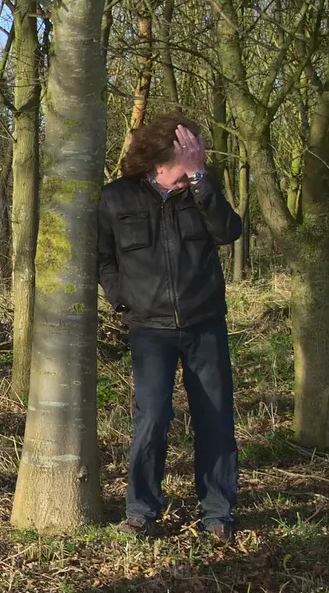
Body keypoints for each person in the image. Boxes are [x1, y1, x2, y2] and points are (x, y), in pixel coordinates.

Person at [97, 115, 244, 542]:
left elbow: (228, 231)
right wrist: (120, 296)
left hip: (205, 325)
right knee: (152, 419)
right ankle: (141, 510)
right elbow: (103, 257)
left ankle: (218, 513)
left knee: (215, 420)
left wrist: (200, 178)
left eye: (196, 164)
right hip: (149, 329)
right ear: (159, 161)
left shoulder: (202, 192)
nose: (193, 171)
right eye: (187, 163)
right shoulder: (116, 197)